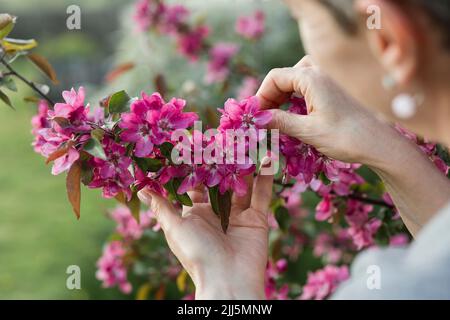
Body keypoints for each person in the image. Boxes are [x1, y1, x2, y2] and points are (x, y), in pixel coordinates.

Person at [138, 0, 450, 299]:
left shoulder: (406, 289)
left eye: (299, 15)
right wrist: (384, 148)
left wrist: (225, 286)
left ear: (387, 38)